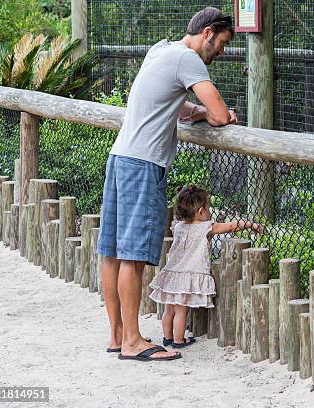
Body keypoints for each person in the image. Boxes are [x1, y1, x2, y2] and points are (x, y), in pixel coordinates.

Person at [97, 7, 237, 362]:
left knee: (112, 252)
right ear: (207, 33)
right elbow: (220, 115)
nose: (220, 52)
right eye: (220, 43)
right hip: (144, 164)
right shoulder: (188, 59)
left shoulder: (161, 49)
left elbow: (173, 105)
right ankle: (132, 342)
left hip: (121, 158)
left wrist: (197, 112)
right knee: (133, 256)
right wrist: (215, 114)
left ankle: (117, 336)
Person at [149, 186, 264, 349]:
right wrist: (251, 225)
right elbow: (231, 226)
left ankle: (167, 338)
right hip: (188, 273)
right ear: (201, 211)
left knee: (169, 309)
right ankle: (178, 341)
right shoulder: (206, 227)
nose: (210, 212)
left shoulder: (178, 225)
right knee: (181, 310)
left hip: (172, 272)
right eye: (208, 208)